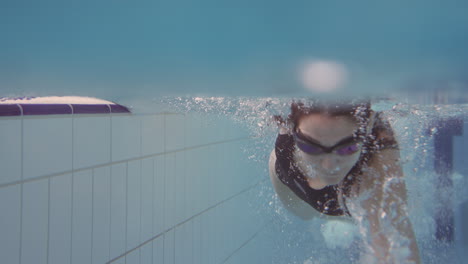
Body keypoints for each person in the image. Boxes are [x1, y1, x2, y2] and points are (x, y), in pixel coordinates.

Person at [268, 99, 421, 263]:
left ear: (368, 127)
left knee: (360, 216)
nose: (329, 166)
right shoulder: (289, 117)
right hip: (288, 181)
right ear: (291, 125)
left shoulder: (379, 167)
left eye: (347, 148)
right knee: (304, 215)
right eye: (310, 147)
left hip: (346, 203)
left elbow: (395, 249)